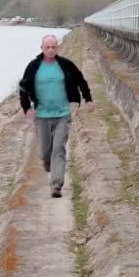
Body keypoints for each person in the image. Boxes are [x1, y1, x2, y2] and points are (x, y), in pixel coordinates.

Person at [19, 34, 94, 198]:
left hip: (62, 114)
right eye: (47, 47)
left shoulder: (65, 65)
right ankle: (47, 162)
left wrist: (88, 99)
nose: (51, 50)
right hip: (42, 115)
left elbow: (81, 80)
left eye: (54, 47)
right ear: (42, 49)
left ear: (57, 48)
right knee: (46, 152)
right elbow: (23, 87)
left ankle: (56, 185)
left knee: (58, 148)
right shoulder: (33, 66)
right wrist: (26, 108)